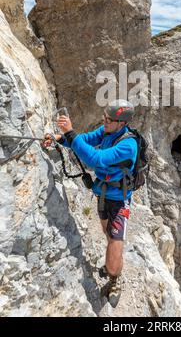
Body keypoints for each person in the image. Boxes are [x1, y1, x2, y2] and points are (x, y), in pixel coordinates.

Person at [43, 99, 137, 308]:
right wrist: (59, 137)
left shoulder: (128, 145)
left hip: (120, 200)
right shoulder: (107, 131)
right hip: (103, 194)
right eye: (103, 117)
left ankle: (114, 279)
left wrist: (70, 132)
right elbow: (83, 140)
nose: (103, 121)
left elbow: (95, 159)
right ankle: (112, 259)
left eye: (108, 119)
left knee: (114, 238)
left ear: (121, 123)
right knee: (106, 232)